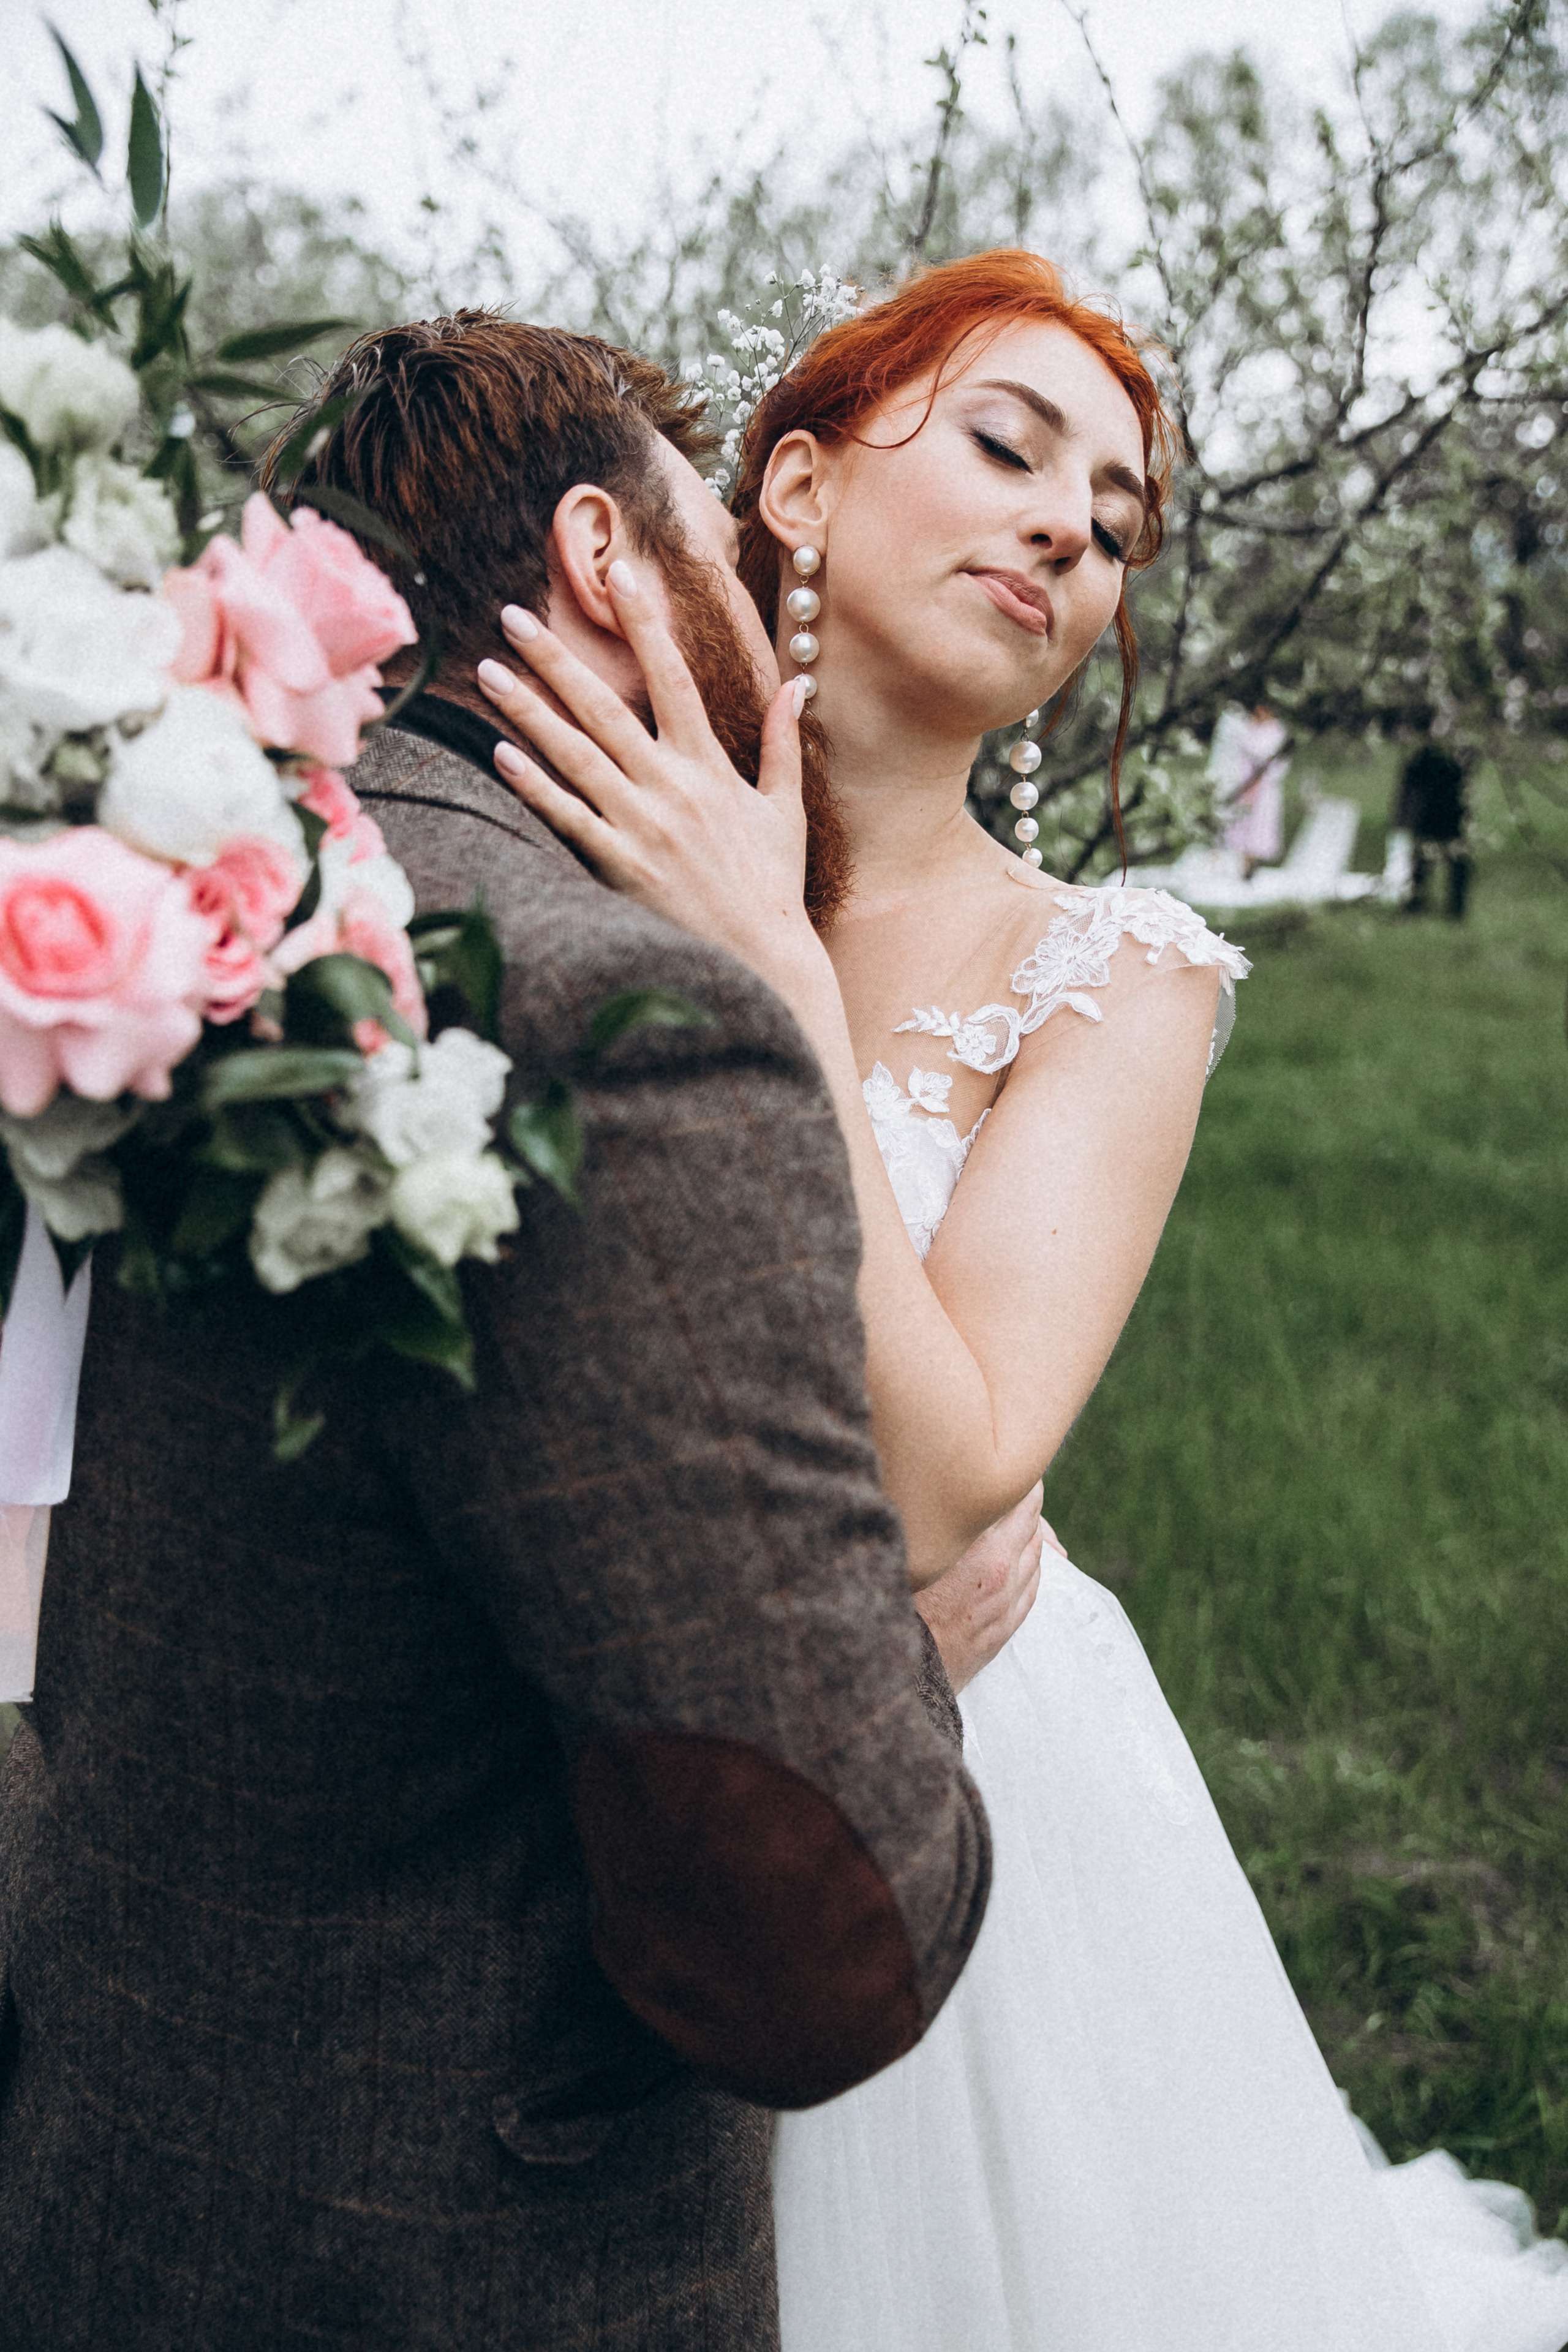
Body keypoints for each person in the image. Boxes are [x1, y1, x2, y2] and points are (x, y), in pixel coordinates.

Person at [478, 252, 1568, 2351]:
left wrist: (780, 985)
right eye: (1005, 446)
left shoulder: (1120, 974)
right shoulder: (560, 833)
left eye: (1119, 522)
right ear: (794, 490)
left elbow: (957, 1471)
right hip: (551, 1744)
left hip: (950, 1801)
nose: (1075, 527)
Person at [0, 312, 1046, 2351]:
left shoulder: (184, 930)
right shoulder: (621, 1036)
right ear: (602, 560)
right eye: (732, 566)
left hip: (112, 2187)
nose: (779, 627)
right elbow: (827, 1950)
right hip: (446, 2262)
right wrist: (896, 1639)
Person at [1394, 738, 1472, 919]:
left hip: (1451, 806)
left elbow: (1468, 776)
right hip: (1430, 806)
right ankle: (1416, 902)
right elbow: (1410, 779)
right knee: (1423, 858)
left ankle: (1455, 908)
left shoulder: (1463, 744)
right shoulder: (1425, 748)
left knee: (1456, 859)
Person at [1210, 701, 1289, 877]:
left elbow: (1271, 759)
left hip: (1263, 788)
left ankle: (1249, 869)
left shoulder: (1276, 731)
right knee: (1235, 826)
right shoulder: (1246, 727)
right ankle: (1228, 867)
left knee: (1258, 830)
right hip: (1241, 785)